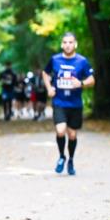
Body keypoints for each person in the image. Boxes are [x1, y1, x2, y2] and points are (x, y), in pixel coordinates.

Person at [42, 32, 95, 176]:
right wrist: (49, 88)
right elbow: (45, 73)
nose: (67, 45)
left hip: (75, 104)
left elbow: (92, 79)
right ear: (61, 44)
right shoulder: (55, 59)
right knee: (60, 130)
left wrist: (81, 83)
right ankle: (61, 157)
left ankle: (70, 159)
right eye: (65, 42)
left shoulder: (82, 61)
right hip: (59, 102)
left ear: (75, 44)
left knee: (72, 135)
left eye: (70, 42)